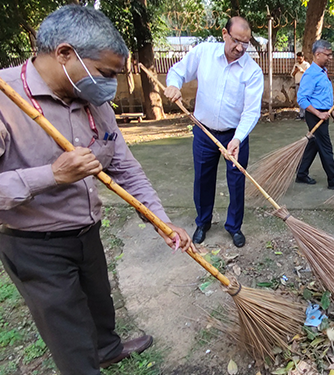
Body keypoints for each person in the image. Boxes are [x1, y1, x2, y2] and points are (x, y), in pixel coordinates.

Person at [0, 6, 191, 375]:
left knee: (99, 303)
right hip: (34, 245)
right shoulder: (7, 98)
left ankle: (107, 348)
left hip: (87, 232)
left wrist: (161, 221)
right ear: (65, 53)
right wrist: (51, 175)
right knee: (68, 331)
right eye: (105, 73)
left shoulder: (95, 102)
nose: (110, 85)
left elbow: (125, 167)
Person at [165, 17, 263, 248]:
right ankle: (203, 222)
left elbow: (251, 111)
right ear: (224, 34)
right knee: (202, 179)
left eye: (246, 43)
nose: (240, 48)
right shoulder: (204, 53)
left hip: (235, 134)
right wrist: (173, 85)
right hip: (203, 131)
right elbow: (178, 72)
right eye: (236, 41)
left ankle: (234, 227)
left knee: (237, 181)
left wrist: (238, 138)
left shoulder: (253, 71)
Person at [296, 39, 334, 190]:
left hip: (323, 113)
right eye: (328, 55)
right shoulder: (311, 74)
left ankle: (301, 173)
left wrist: (330, 111)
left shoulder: (322, 72)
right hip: (314, 116)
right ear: (318, 54)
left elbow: (321, 96)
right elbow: (302, 99)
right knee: (326, 148)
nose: (330, 58)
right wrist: (319, 113)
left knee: (314, 144)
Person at [292, 52, 310, 120]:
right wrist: (296, 70)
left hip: (305, 85)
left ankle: (306, 114)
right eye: (297, 58)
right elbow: (292, 74)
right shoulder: (296, 65)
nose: (298, 60)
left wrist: (301, 70)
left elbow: (309, 74)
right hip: (298, 84)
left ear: (303, 58)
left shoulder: (306, 64)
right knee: (300, 100)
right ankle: (301, 115)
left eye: (300, 58)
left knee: (305, 99)